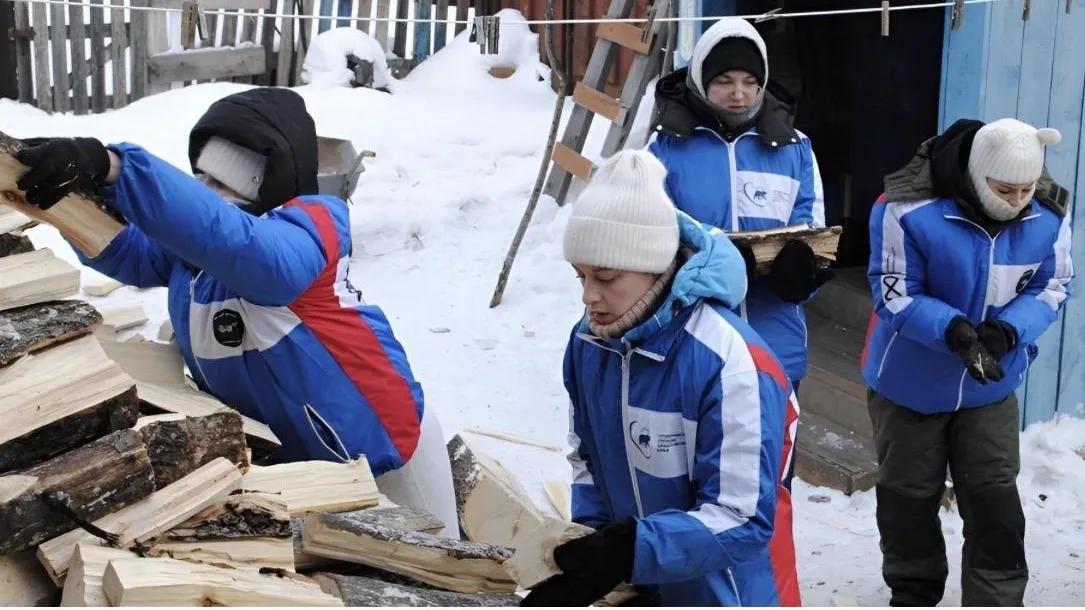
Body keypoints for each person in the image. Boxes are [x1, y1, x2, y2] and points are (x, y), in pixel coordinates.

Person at [13, 87, 461, 538]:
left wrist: (117, 168)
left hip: (383, 442)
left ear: (270, 180)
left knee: (450, 582)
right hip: (304, 468)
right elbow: (130, 252)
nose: (209, 191)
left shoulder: (312, 225)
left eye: (228, 181)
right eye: (203, 178)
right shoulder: (198, 251)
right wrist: (69, 198)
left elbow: (255, 256)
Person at [521, 148, 801, 607]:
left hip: (729, 594)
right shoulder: (590, 344)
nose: (589, 296)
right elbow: (588, 456)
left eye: (606, 277)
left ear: (654, 267)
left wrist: (627, 552)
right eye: (580, 276)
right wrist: (592, 549)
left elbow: (740, 516)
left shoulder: (729, 361)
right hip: (642, 583)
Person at [862, 117, 1073, 606]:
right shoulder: (907, 209)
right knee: (908, 496)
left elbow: (1053, 285)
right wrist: (953, 330)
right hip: (910, 382)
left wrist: (1008, 330)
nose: (1018, 199)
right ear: (978, 177)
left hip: (990, 385)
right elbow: (893, 291)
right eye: (1005, 189)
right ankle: (913, 591)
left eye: (1026, 189)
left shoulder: (1049, 213)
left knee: (994, 496)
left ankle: (996, 597)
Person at [647, 17, 832, 399]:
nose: (739, 94)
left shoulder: (795, 149)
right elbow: (650, 246)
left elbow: (813, 235)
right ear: (700, 80)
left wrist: (803, 276)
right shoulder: (665, 150)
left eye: (751, 82)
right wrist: (719, 272)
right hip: (693, 342)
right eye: (724, 81)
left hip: (775, 346)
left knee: (775, 457)